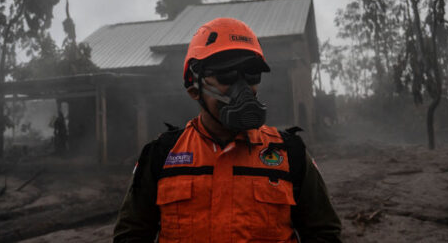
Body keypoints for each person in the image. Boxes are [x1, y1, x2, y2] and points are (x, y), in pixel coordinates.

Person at [113, 17, 342, 242]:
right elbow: (131, 234)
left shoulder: (289, 154)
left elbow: (324, 233)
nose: (241, 89)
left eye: (251, 74)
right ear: (194, 88)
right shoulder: (161, 156)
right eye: (226, 75)